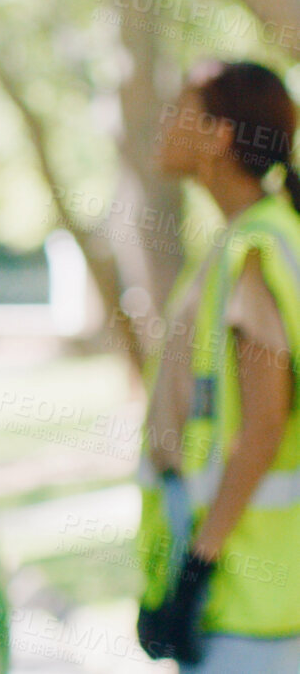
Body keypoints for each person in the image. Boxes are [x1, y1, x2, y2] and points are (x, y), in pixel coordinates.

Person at [138, 59, 300, 672]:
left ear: (219, 135)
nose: (163, 124)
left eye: (180, 110)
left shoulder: (254, 249)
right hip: (244, 598)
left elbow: (264, 426)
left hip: (253, 605)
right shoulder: (238, 240)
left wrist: (195, 573)